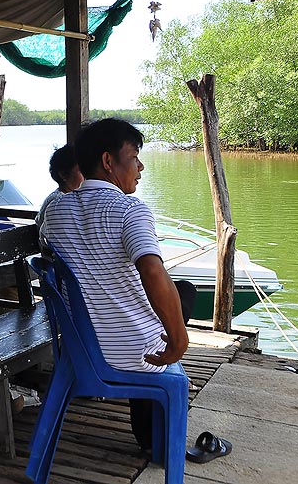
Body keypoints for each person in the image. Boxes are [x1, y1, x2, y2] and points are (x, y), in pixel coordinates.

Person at [39, 118, 192, 452]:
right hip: (132, 354)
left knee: (177, 296)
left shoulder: (55, 212)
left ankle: (153, 432)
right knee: (181, 301)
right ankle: (158, 440)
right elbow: (152, 271)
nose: (141, 166)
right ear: (109, 162)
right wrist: (179, 338)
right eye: (134, 156)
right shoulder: (130, 210)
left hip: (80, 348)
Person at [34, 143, 84, 233]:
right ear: (63, 174)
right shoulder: (58, 202)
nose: (86, 175)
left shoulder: (61, 197)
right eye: (81, 171)